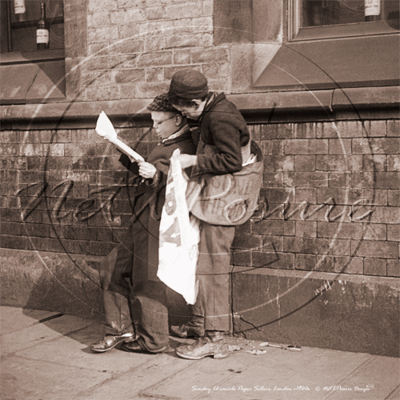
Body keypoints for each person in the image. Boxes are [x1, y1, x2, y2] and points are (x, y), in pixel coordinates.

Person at [90, 93, 195, 354]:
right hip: (142, 219)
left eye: (159, 122)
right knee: (112, 267)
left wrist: (157, 176)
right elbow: (152, 172)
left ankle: (154, 341)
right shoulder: (168, 141)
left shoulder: (189, 146)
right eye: (153, 121)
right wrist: (122, 148)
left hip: (160, 222)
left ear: (178, 119)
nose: (154, 127)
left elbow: (187, 184)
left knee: (148, 281)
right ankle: (120, 329)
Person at [167, 69, 250, 360]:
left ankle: (213, 338)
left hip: (221, 206)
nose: (181, 114)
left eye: (181, 109)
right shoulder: (210, 112)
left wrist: (194, 159)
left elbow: (232, 160)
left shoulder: (220, 117)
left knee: (212, 266)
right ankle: (200, 326)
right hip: (214, 201)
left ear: (194, 102)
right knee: (201, 264)